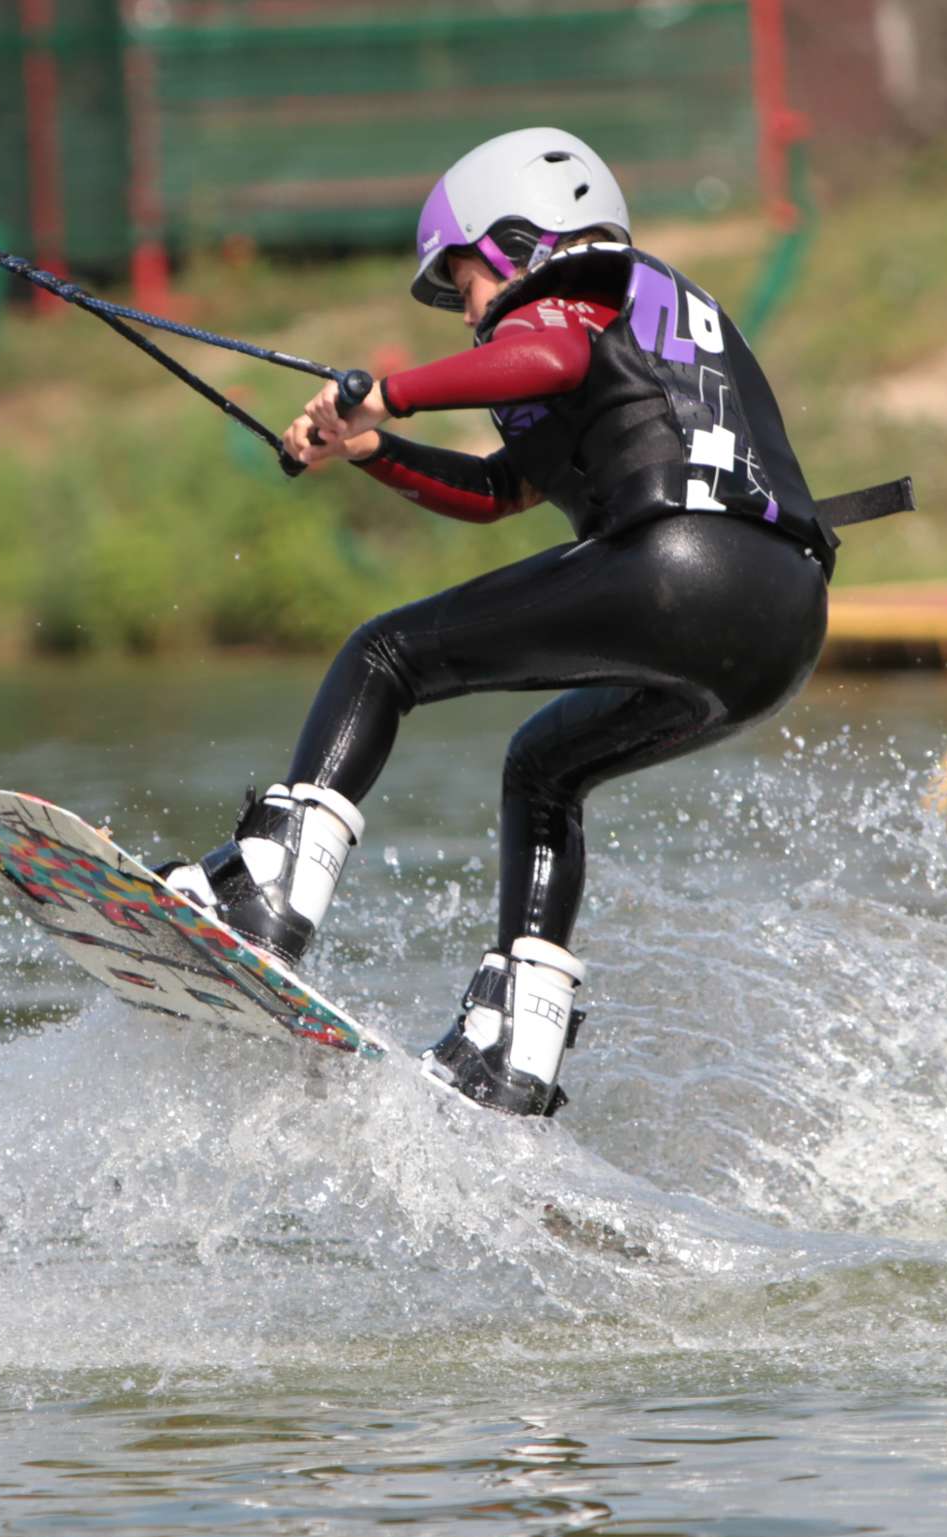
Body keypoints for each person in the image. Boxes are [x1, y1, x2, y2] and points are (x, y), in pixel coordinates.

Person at [160, 128, 859, 1118]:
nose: (469, 318)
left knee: (384, 654)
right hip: (780, 623)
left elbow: (547, 350)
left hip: (680, 566)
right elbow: (498, 491)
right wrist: (371, 446)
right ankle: (515, 1038)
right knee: (544, 767)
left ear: (516, 241)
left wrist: (390, 387)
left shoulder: (576, 287)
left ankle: (268, 887)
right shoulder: (651, 325)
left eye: (464, 286)